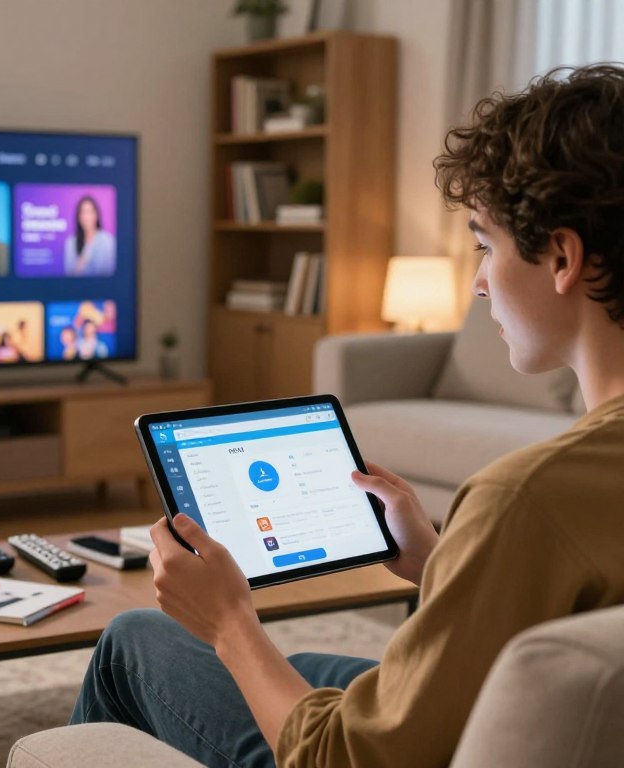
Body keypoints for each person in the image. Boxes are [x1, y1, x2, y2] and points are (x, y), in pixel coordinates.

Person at [70, 64, 624, 767]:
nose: (479, 283)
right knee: (303, 662)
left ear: (563, 257)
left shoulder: (524, 498)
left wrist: (231, 622)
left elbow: (339, 756)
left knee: (135, 641)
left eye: (485, 244)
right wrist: (437, 561)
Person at [64, 195, 116, 276]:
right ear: (78, 217)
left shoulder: (108, 241)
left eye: (89, 212)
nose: (86, 217)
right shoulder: (71, 242)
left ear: (96, 215)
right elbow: (69, 275)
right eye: (83, 213)